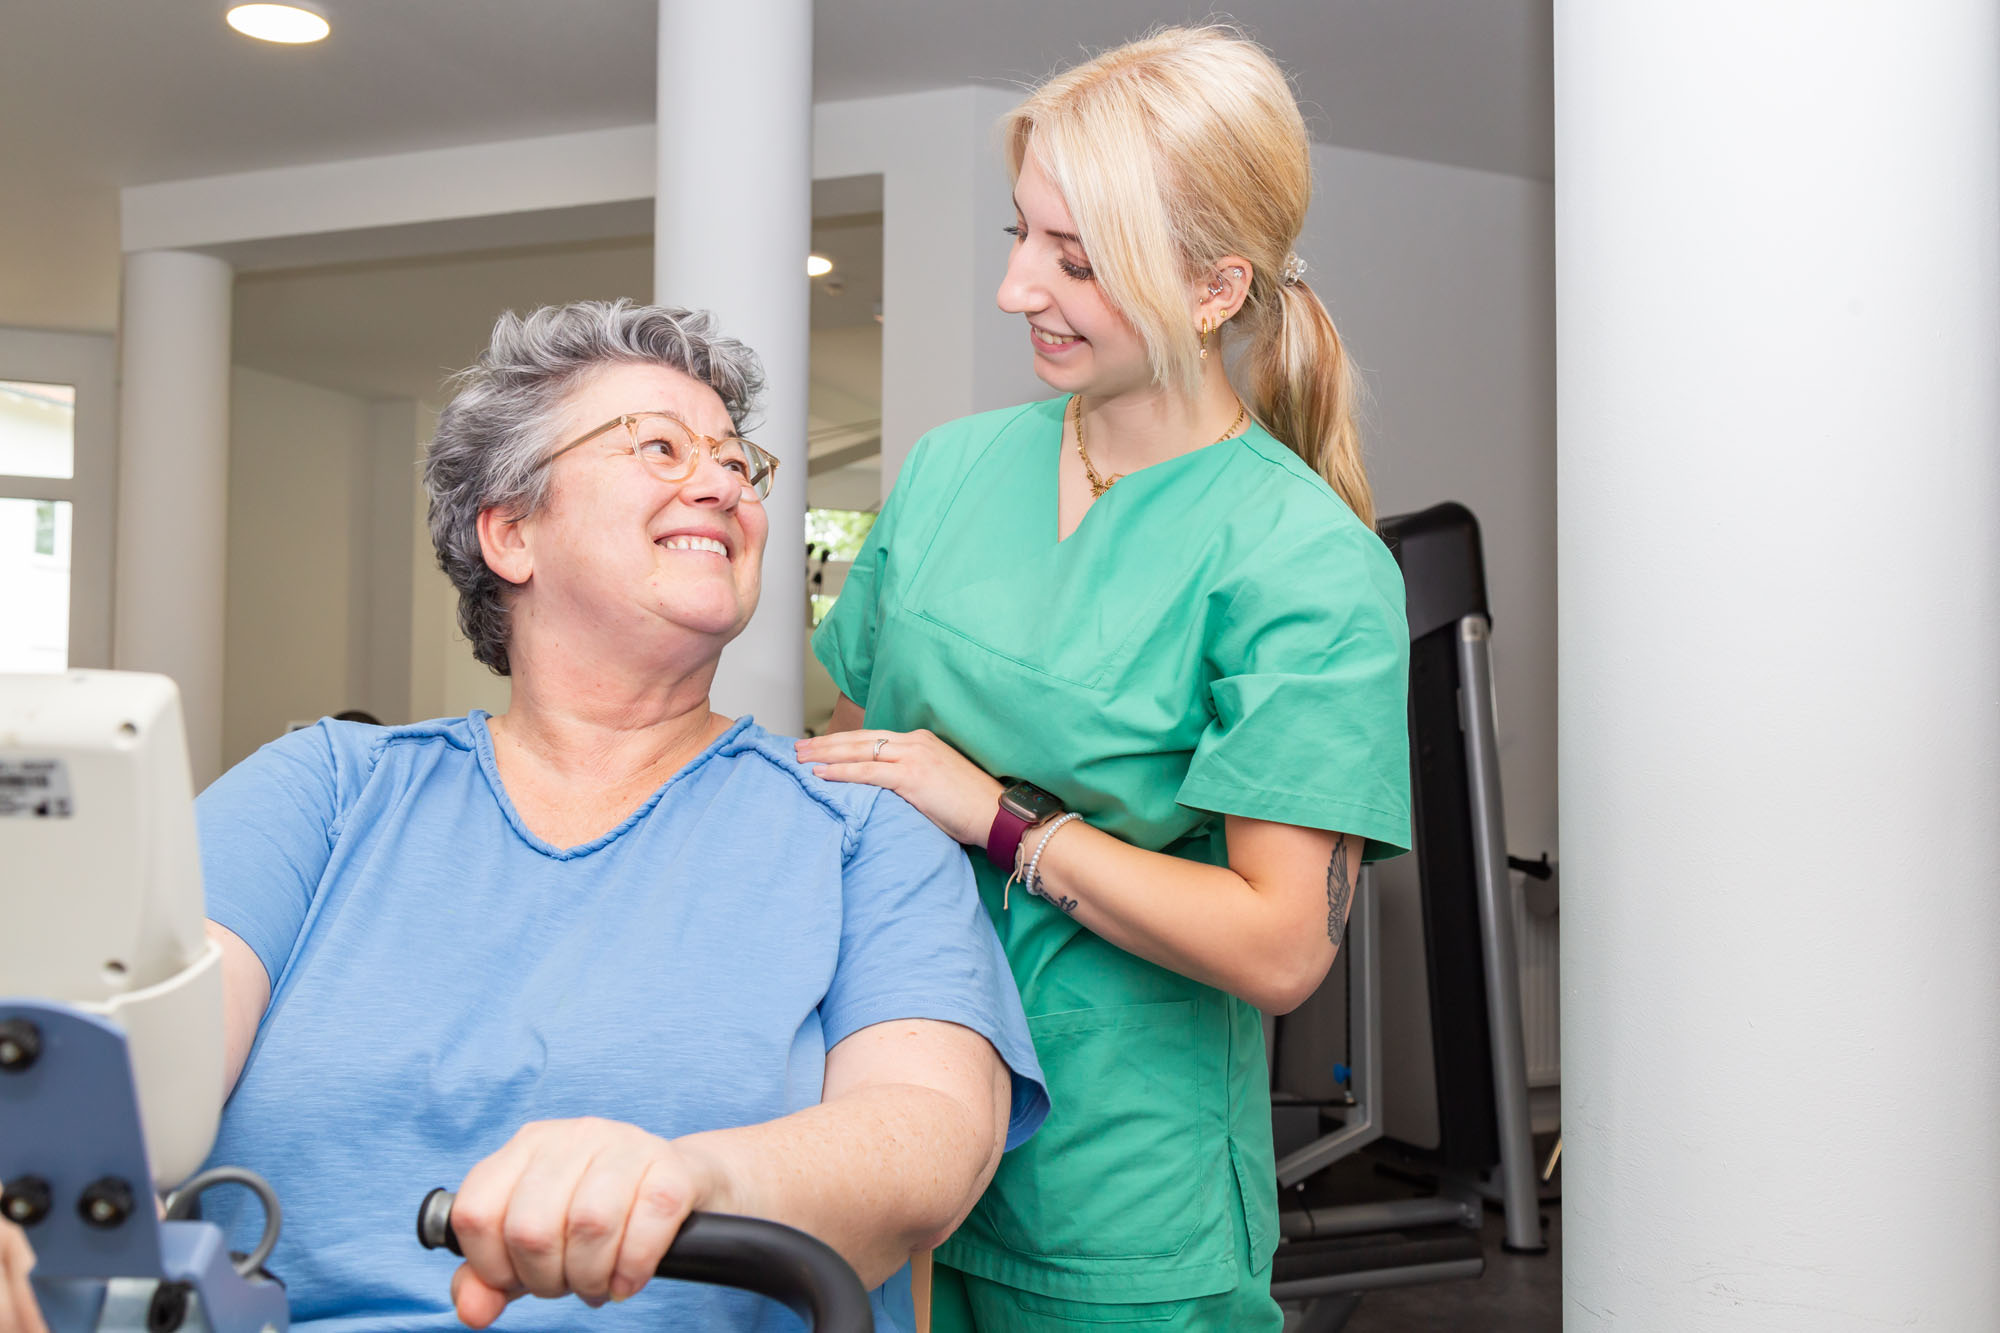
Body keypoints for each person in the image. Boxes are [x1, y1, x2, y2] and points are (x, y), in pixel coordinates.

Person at [0, 301, 1047, 1333]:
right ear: (510, 530)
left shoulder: (858, 824)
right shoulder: (323, 789)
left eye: (739, 460)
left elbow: (929, 1144)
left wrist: (682, 1175)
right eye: (660, 446)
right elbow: (128, 1072)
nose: (725, 479)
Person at [797, 27, 1411, 1332]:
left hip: (1121, 1192)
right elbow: (859, 765)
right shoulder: (955, 472)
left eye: (1075, 261)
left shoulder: (1302, 557)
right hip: (889, 1122)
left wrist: (1002, 820)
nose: (1019, 288)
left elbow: (1281, 941)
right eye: (1020, 237)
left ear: (1211, 288)